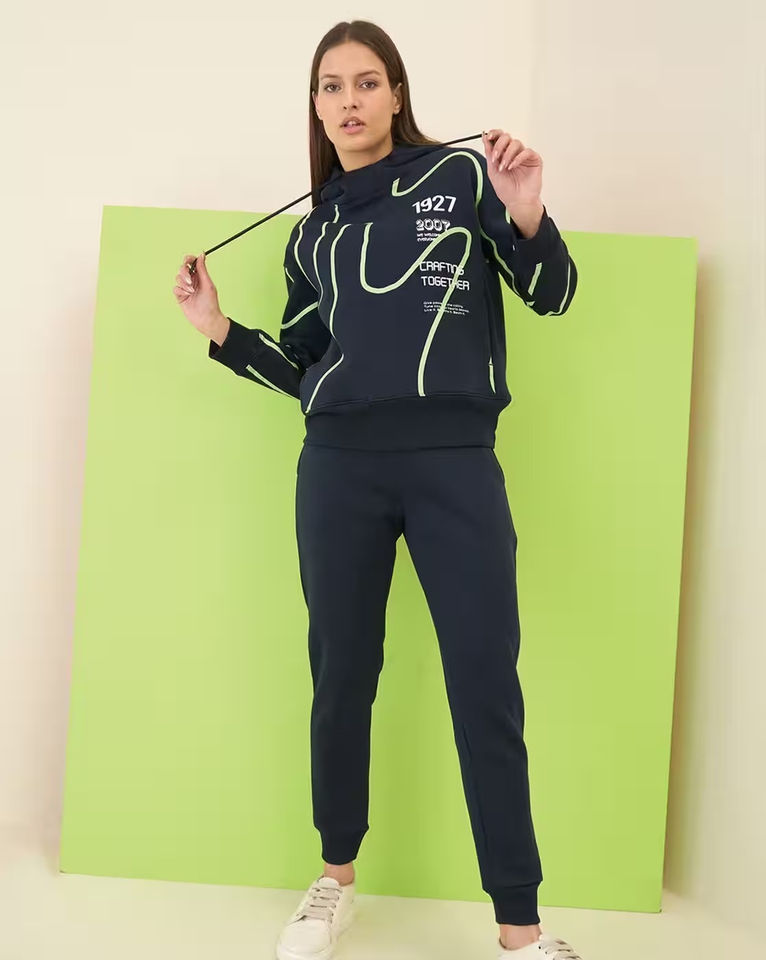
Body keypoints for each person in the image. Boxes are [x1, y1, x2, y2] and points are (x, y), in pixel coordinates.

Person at [173, 19, 581, 960]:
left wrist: (526, 212)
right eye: (331, 86)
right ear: (316, 107)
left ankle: (521, 929)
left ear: (397, 93)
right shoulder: (310, 234)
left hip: (455, 461)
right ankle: (335, 883)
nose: (349, 101)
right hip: (339, 468)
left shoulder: (463, 177)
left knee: (485, 682)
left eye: (366, 82)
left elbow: (553, 294)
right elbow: (304, 368)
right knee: (342, 674)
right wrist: (220, 330)